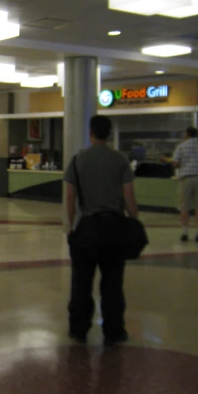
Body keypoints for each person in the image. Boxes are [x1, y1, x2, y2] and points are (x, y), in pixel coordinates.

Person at [63, 115, 139, 346]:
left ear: (91, 133)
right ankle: (114, 330)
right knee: (113, 283)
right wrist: (134, 222)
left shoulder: (77, 161)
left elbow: (70, 198)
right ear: (109, 133)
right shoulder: (121, 160)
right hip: (114, 229)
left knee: (81, 283)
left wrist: (71, 227)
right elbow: (129, 196)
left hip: (87, 228)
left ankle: (78, 329)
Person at [171, 126, 198, 243]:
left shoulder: (181, 146)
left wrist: (181, 164)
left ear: (187, 134)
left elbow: (175, 163)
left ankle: (184, 233)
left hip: (186, 179)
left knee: (184, 207)